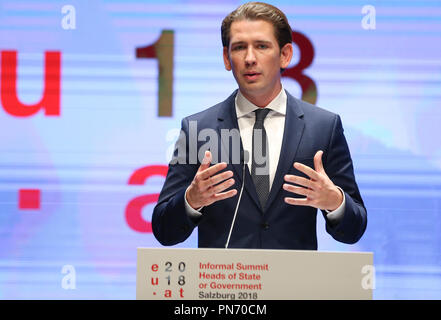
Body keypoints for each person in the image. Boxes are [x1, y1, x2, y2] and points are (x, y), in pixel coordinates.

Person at [152, 2, 367, 249]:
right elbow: (164, 231)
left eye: (262, 46)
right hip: (223, 283)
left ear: (285, 54)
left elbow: (354, 230)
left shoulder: (323, 127)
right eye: (240, 48)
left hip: (294, 285)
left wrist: (335, 202)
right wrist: (191, 199)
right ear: (226, 58)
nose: (250, 58)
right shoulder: (197, 129)